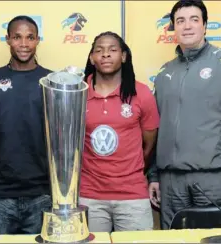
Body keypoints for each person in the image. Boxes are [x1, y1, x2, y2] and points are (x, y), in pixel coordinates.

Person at [148, 0, 221, 230]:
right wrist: (153, 176)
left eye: (194, 19)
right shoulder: (164, 73)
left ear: (205, 26)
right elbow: (154, 130)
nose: (187, 26)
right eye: (180, 21)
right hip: (171, 183)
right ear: (173, 27)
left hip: (214, 180)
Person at [0, 15, 52, 235]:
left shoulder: (52, 82)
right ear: (7, 39)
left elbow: (61, 140)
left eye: (30, 37)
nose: (24, 44)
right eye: (17, 37)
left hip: (43, 194)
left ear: (38, 40)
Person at [79, 31, 160, 232]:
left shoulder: (141, 93)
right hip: (89, 195)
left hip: (132, 196)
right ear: (92, 57)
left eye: (113, 50)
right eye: (99, 50)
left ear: (123, 56)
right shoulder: (77, 93)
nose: (106, 54)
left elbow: (149, 145)